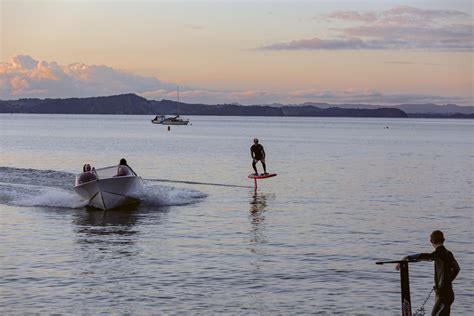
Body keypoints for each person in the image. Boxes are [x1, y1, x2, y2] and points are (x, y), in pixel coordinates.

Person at [396, 230, 460, 316]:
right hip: (448, 294)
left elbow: (425, 256)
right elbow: (457, 269)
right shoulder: (449, 253)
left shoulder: (438, 254)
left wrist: (408, 257)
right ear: (443, 240)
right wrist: (447, 281)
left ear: (431, 241)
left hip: (443, 295)